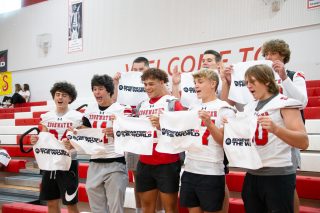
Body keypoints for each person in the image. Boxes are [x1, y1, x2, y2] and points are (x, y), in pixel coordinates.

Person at [241, 64, 309, 213]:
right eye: (246, 82)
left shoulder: (285, 103)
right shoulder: (249, 108)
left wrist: (276, 129)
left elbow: (303, 141)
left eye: (252, 81)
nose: (248, 86)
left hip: (277, 174)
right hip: (252, 173)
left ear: (266, 81)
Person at [172, 50, 230, 212]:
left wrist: (209, 124)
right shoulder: (192, 107)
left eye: (200, 82)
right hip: (190, 169)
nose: (196, 85)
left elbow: (225, 142)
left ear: (213, 84)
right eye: (195, 82)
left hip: (211, 171)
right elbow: (177, 122)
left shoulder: (224, 108)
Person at [135, 68, 184, 213]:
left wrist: (163, 125)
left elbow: (183, 130)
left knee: (170, 209)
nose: (147, 88)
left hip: (167, 162)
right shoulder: (141, 105)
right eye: (145, 84)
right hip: (144, 162)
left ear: (162, 82)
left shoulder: (172, 103)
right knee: (147, 208)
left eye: (151, 84)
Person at [30, 82, 83, 213]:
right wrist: (35, 140)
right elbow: (43, 136)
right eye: (57, 94)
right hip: (50, 163)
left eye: (64, 95)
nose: (60, 98)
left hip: (68, 164)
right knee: (52, 203)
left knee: (71, 204)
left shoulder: (78, 117)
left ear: (70, 98)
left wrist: (74, 143)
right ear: (54, 97)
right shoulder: (46, 116)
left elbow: (83, 140)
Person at [82, 74, 130, 213]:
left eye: (101, 89)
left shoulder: (122, 109)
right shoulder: (89, 109)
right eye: (95, 89)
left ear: (109, 90)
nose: (97, 92)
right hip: (95, 161)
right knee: (97, 208)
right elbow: (84, 129)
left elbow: (131, 135)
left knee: (116, 208)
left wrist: (116, 131)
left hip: (115, 161)